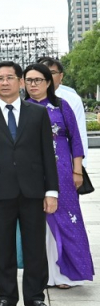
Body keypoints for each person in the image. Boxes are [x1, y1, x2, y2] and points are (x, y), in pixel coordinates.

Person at [0, 61, 59, 306]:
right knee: (3, 247)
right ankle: (6, 297)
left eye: (10, 77)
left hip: (33, 190)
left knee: (34, 247)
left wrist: (51, 191)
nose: (5, 82)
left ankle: (35, 297)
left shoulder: (37, 113)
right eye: (0, 78)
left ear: (20, 81)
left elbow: (47, 154)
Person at [22, 64, 93, 288]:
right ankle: (42, 274)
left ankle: (66, 274)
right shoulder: (22, 108)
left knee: (66, 220)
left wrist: (77, 169)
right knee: (37, 223)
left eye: (38, 80)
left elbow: (76, 139)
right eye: (29, 80)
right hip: (32, 173)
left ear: (49, 82)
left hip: (62, 172)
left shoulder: (61, 106)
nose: (33, 84)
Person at [38, 57, 89, 167]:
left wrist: (80, 166)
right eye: (43, 72)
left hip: (64, 159)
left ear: (61, 76)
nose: (47, 76)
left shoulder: (72, 99)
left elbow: (79, 133)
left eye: (52, 72)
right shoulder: (29, 101)